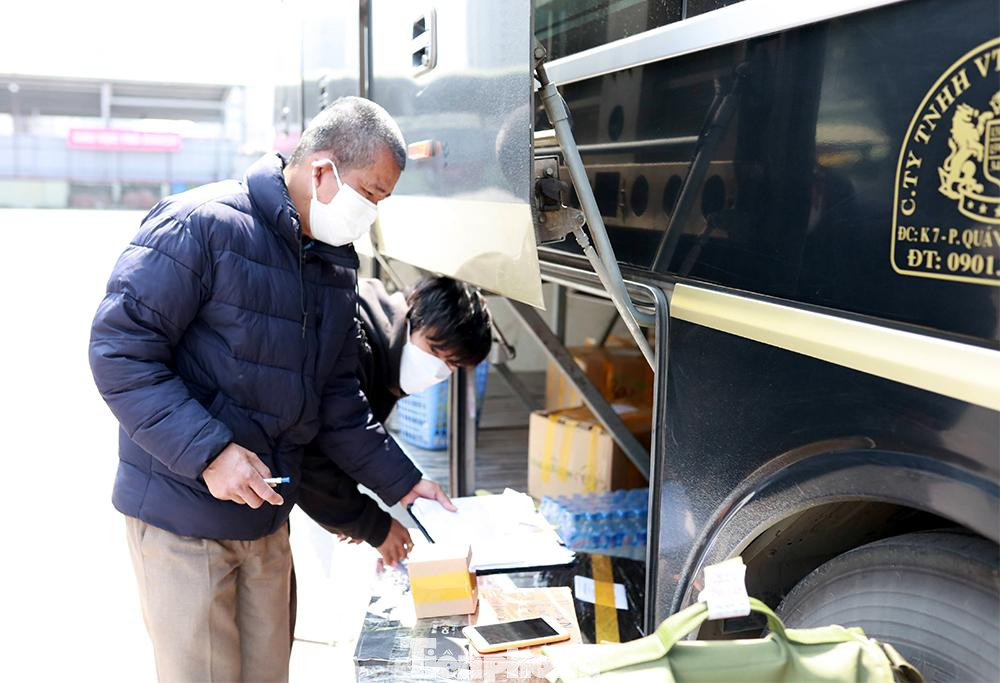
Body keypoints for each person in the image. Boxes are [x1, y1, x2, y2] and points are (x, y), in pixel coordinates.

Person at [88, 96, 454, 683]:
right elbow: (119, 352)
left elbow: (338, 399)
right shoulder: (201, 225)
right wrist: (210, 454)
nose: (372, 212)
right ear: (321, 170)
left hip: (265, 518)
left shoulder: (335, 265)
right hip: (185, 519)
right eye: (372, 194)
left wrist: (404, 482)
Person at [296, 276, 493, 565]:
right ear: (414, 312)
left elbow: (343, 439)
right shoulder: (355, 337)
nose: (440, 369)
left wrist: (372, 510)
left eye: (452, 364)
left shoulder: (382, 356)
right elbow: (320, 444)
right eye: (435, 351)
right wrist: (372, 523)